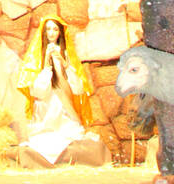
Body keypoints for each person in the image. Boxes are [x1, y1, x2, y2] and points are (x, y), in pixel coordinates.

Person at [15, 17, 108, 167]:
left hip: (64, 103)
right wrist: (46, 63)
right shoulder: (36, 55)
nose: (51, 33)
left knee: (70, 130)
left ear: (60, 33)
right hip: (45, 104)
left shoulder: (65, 53)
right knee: (43, 135)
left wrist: (64, 64)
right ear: (44, 32)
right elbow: (37, 90)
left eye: (55, 29)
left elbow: (77, 87)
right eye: (49, 29)